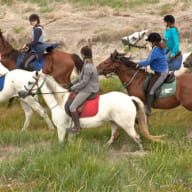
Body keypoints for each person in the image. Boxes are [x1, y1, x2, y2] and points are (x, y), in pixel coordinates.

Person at [67, 45, 99, 134]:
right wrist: (71, 83)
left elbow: (84, 82)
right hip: (87, 87)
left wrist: (73, 88)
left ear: (83, 55)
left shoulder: (88, 66)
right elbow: (80, 78)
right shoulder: (87, 64)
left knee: (72, 107)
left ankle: (77, 128)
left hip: (88, 90)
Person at [137, 32, 168, 116]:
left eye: (150, 42)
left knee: (151, 89)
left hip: (161, 73)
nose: (149, 44)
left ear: (153, 42)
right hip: (160, 71)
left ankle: (148, 109)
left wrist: (139, 64)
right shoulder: (160, 47)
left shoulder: (156, 50)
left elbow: (148, 61)